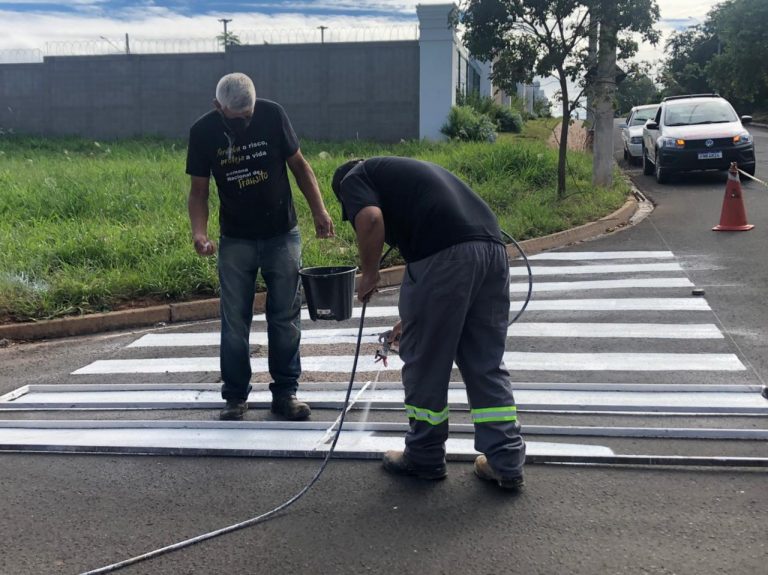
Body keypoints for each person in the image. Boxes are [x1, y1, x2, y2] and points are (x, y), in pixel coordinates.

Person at [331, 157, 525, 490]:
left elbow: (371, 219)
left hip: (447, 256)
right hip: (492, 251)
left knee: (424, 363)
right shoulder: (406, 176)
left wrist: (370, 273)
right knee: (485, 363)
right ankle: (505, 461)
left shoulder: (353, 178)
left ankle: (424, 455)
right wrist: (411, 320)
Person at [186, 72, 334, 421]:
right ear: (217, 107)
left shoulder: (273, 115)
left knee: (285, 317)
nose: (246, 122)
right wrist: (199, 233)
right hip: (235, 239)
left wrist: (320, 211)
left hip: (282, 234)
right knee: (234, 321)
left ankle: (286, 393)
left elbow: (300, 166)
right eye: (238, 119)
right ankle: (235, 397)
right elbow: (199, 191)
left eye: (249, 115)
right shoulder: (203, 132)